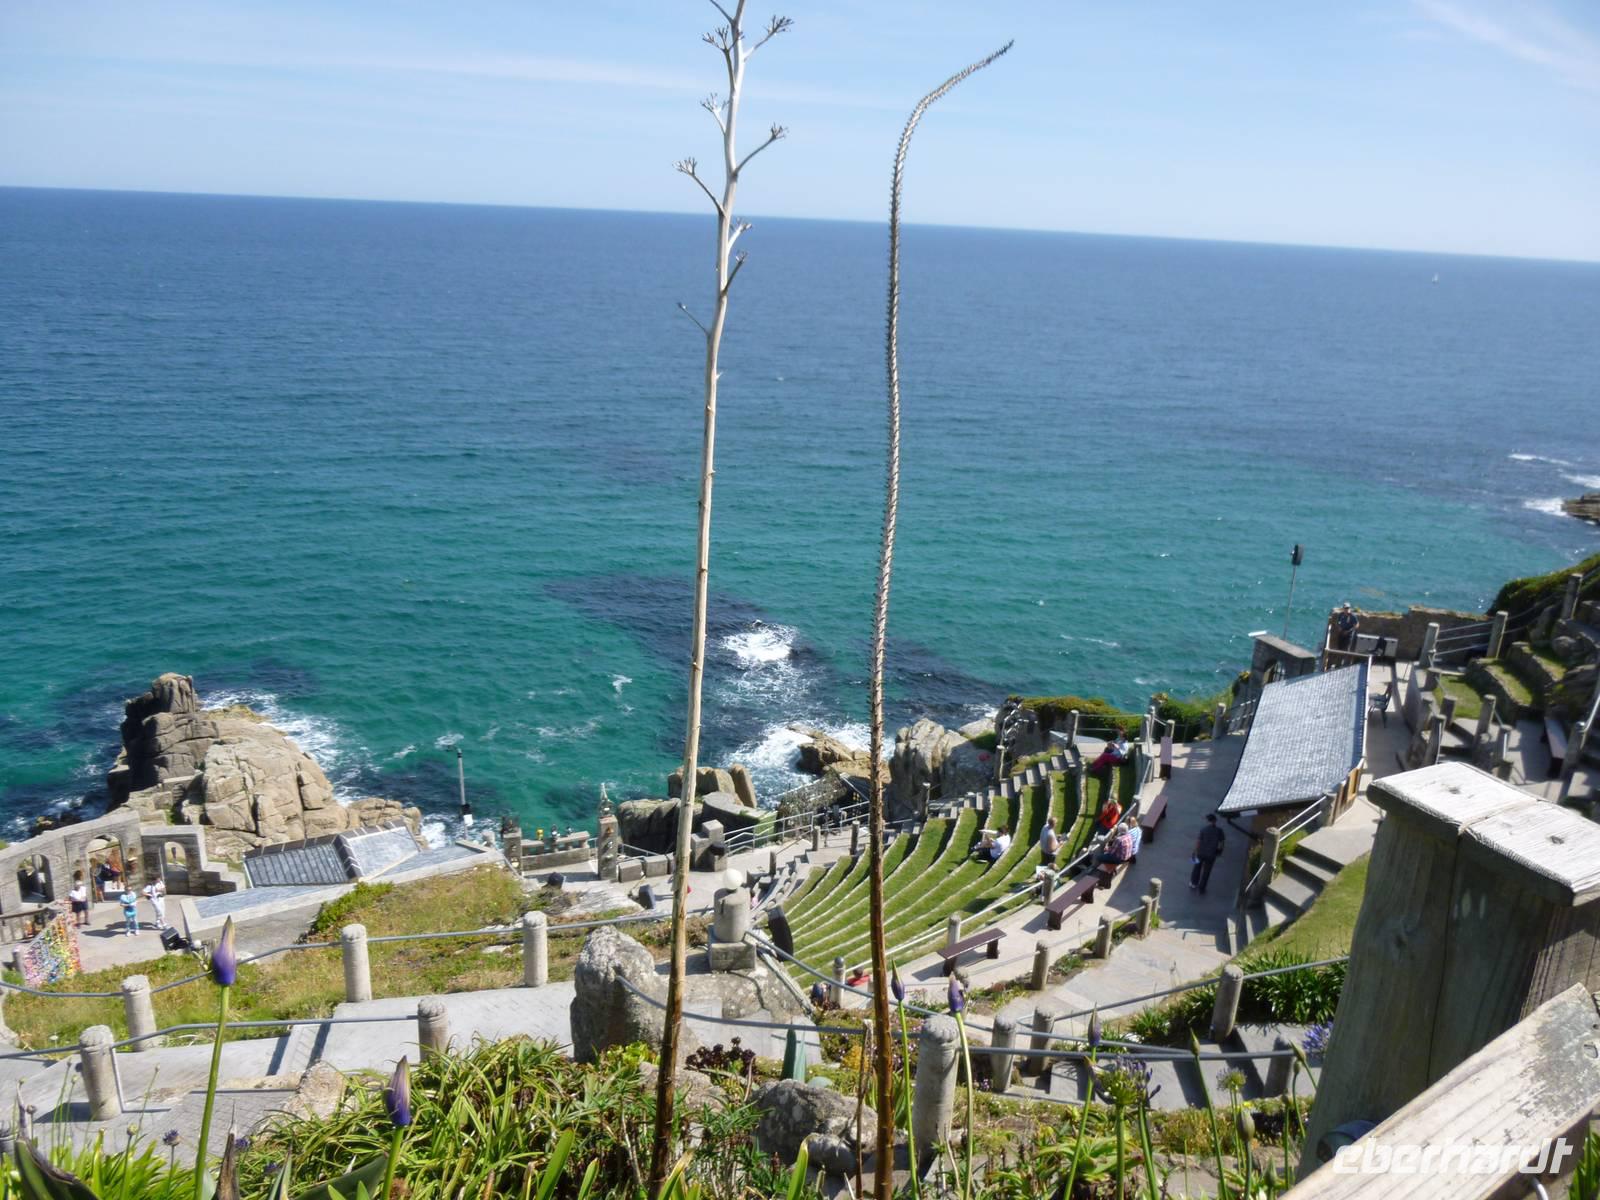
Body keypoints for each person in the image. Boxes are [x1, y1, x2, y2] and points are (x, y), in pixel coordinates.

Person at [1190, 813, 1226, 895]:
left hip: (1200, 853)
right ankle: (1202, 888)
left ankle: (1193, 883)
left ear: (1208, 821)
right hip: (1211, 854)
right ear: (1215, 821)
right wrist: (1219, 851)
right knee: (1207, 871)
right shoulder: (1219, 831)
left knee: (1197, 868)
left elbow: (1198, 842)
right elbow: (1221, 843)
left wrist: (1194, 851)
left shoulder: (1203, 829)